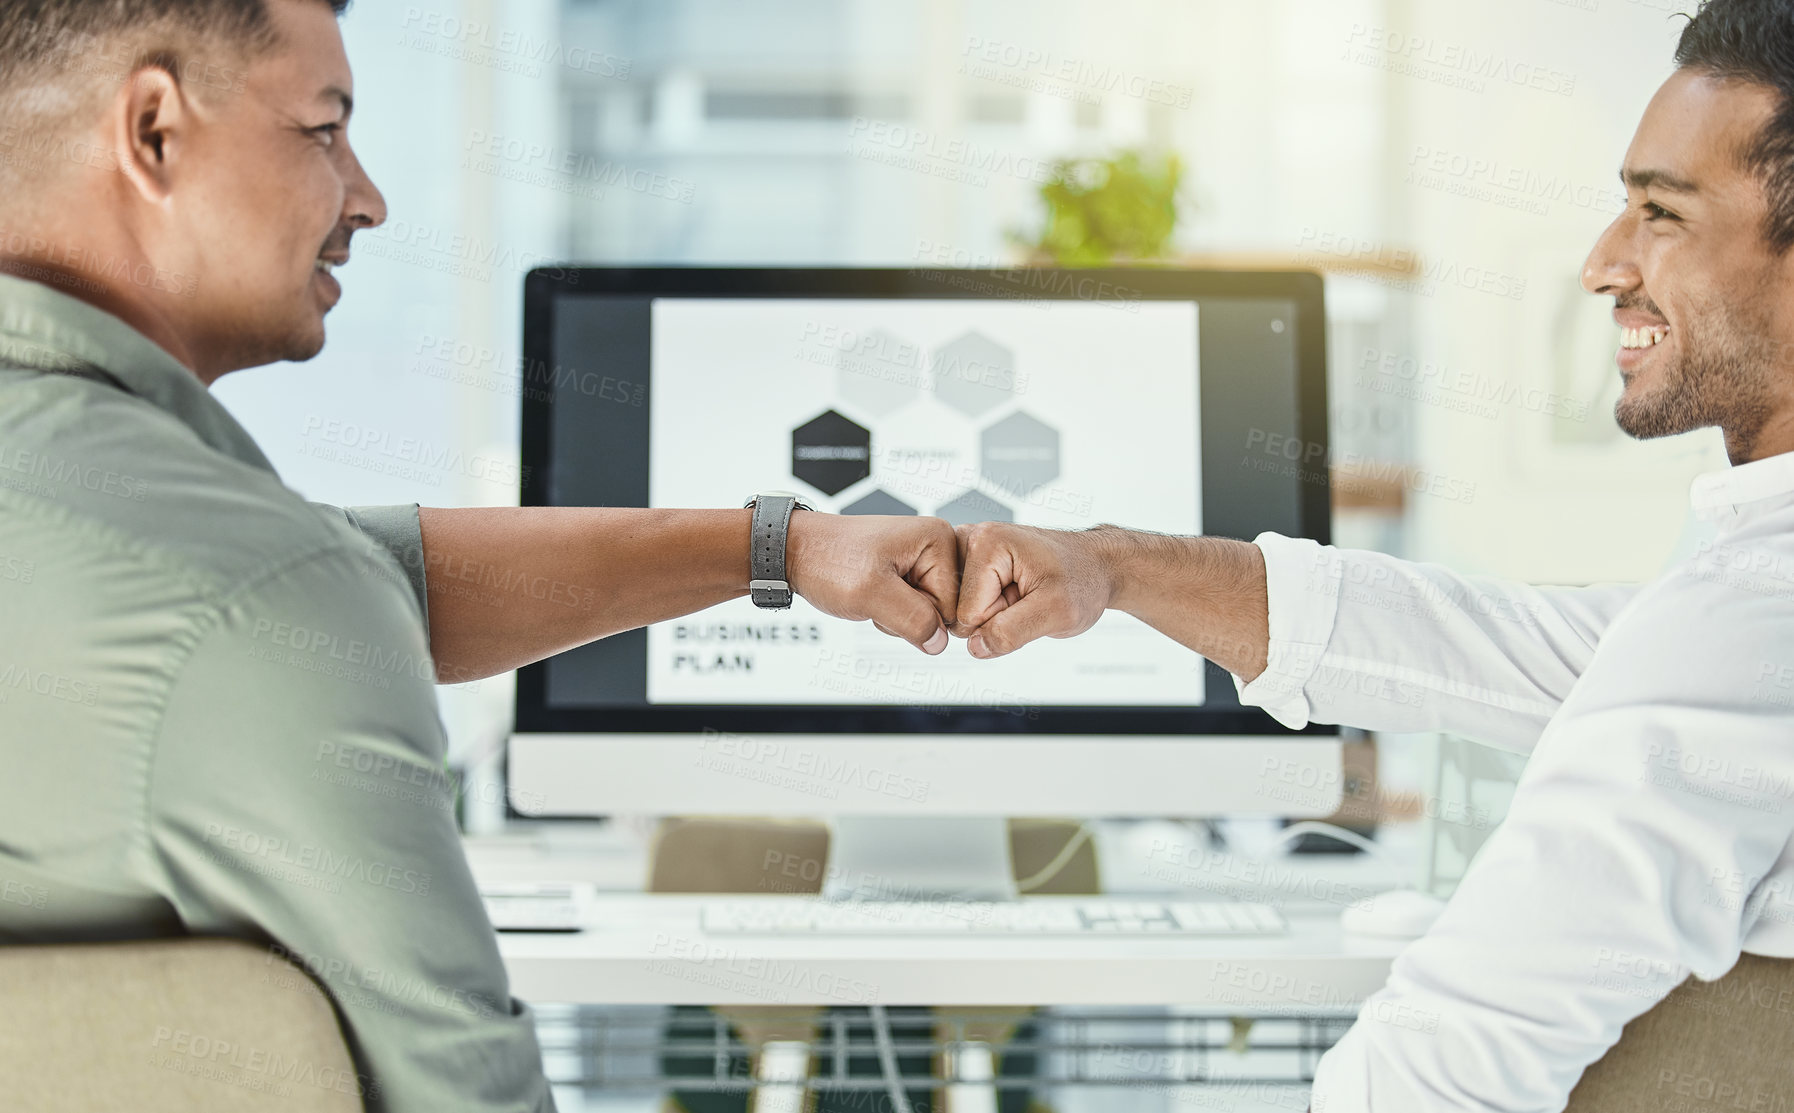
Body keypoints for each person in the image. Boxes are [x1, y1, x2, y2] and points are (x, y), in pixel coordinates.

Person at [0, 2, 959, 1110]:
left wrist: (782, 547)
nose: (367, 198)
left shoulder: (137, 538)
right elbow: (467, 1095)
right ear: (155, 131)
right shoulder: (248, 602)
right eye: (323, 130)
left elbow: (352, 580)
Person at [949, 0, 1794, 1107]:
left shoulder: (1751, 614)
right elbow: (1494, 648)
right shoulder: (1737, 607)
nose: (1602, 263)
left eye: (1660, 213)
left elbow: (1444, 1063)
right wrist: (1114, 568)